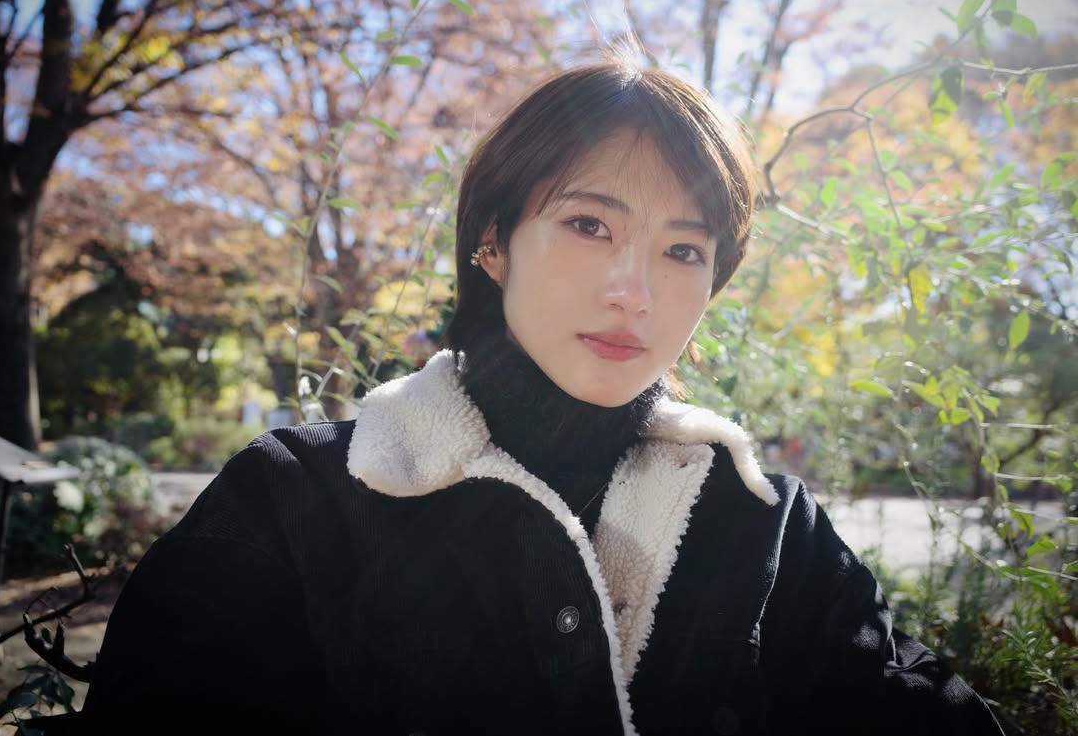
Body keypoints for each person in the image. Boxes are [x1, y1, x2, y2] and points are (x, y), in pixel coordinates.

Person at [58, 59, 1003, 734]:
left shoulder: (762, 523)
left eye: (683, 249)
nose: (635, 289)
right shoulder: (297, 499)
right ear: (493, 242)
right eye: (590, 224)